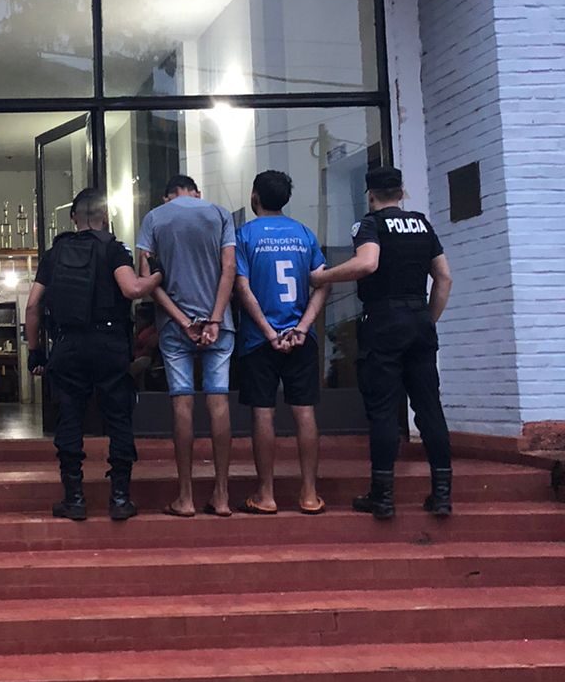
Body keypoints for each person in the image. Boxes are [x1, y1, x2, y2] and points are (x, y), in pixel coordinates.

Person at [310, 166, 454, 520]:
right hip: (419, 320)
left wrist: (323, 277)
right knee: (429, 408)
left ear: (371, 195)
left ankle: (383, 496)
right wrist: (428, 319)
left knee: (384, 410)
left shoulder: (370, 224)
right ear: (402, 192)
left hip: (384, 322)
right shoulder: (422, 224)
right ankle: (442, 494)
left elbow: (367, 263)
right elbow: (444, 277)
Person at [25, 188, 162, 521]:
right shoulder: (113, 249)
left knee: (69, 418)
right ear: (104, 217)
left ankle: (74, 499)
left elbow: (32, 306)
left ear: (74, 217)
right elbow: (132, 289)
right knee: (118, 418)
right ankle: (119, 499)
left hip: (68, 345)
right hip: (109, 344)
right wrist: (158, 275)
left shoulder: (54, 254)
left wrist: (35, 352)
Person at [136, 175, 237, 518]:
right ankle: (221, 495)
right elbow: (229, 268)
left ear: (167, 196)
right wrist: (215, 319)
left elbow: (147, 280)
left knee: (182, 404)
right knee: (218, 401)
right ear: (197, 192)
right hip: (219, 325)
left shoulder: (154, 218)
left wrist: (182, 320)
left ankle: (185, 497)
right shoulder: (220, 214)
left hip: (175, 325)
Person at [234, 170, 330, 516]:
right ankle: (309, 493)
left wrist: (267, 331)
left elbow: (242, 288)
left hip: (259, 340)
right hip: (300, 338)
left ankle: (266, 494)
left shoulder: (245, 235)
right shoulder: (304, 234)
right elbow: (322, 283)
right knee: (304, 411)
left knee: (263, 412)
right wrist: (302, 328)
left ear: (254, 197)